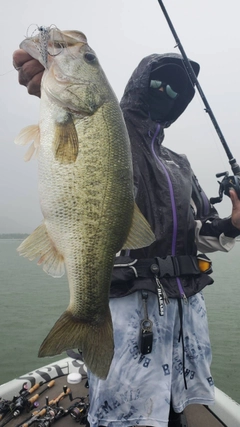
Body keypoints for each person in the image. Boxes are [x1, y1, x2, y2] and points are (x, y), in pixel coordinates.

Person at [13, 47, 240, 427]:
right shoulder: (112, 132)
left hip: (183, 319)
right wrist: (49, 80)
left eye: (176, 91)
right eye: (157, 83)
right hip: (129, 313)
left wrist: (233, 224)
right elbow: (80, 127)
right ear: (136, 85)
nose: (165, 93)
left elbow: (197, 231)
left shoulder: (179, 163)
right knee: (125, 415)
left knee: (174, 411)